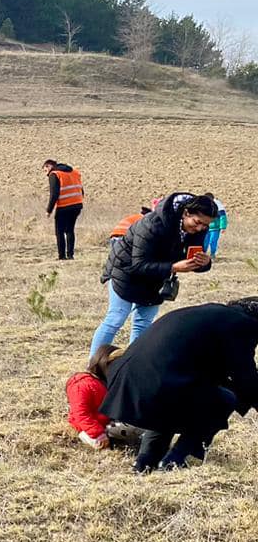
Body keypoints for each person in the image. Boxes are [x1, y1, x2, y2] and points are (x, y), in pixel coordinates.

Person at [100, 297, 258, 472]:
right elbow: (245, 377)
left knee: (174, 401)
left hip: (128, 379)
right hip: (159, 381)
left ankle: (144, 463)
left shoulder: (212, 315)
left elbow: (216, 373)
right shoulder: (243, 324)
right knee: (224, 400)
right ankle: (177, 459)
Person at [89, 192, 218, 355]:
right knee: (116, 318)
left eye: (205, 226)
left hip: (156, 278)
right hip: (126, 271)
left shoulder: (196, 229)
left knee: (143, 323)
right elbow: (139, 264)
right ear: (186, 213)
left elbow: (189, 259)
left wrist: (204, 263)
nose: (200, 228)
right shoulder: (152, 224)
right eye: (198, 222)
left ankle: (133, 366)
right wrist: (173, 267)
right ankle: (93, 367)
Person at [66, 345, 140, 451]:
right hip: (95, 424)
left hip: (108, 419)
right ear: (107, 365)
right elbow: (81, 414)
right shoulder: (81, 385)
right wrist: (97, 433)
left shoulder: (105, 380)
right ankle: (89, 435)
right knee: (137, 427)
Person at [44, 159, 84, 262]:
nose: (46, 174)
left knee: (59, 231)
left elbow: (54, 194)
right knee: (70, 230)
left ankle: (61, 256)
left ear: (49, 166)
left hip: (64, 206)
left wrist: (49, 210)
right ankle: (70, 255)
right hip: (77, 205)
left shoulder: (55, 174)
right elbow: (81, 189)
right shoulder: (74, 172)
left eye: (45, 170)